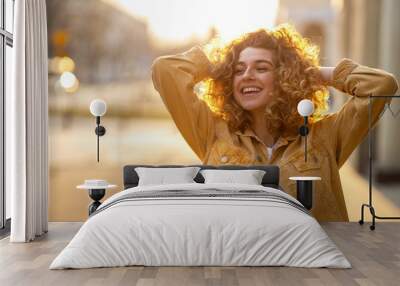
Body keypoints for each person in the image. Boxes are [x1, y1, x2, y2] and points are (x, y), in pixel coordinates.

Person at [151, 24, 398, 221]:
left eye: (261, 68)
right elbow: (166, 71)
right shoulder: (212, 131)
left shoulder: (325, 136)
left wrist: (312, 73)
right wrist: (220, 66)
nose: (247, 75)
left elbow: (381, 86)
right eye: (238, 70)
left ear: (284, 78)